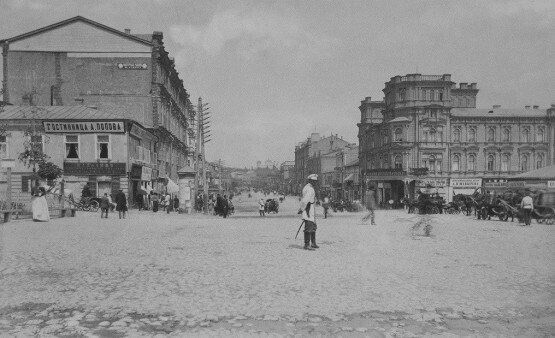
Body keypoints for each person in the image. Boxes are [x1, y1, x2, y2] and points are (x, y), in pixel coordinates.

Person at [299, 174, 318, 250]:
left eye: (315, 181)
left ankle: (313, 243)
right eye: (313, 181)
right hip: (308, 209)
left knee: (313, 226)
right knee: (309, 227)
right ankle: (307, 245)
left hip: (311, 208)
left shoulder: (309, 187)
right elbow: (305, 200)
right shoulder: (310, 189)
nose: (315, 183)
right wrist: (302, 209)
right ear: (310, 181)